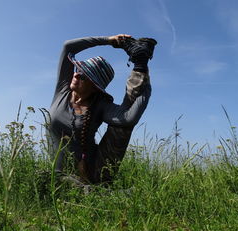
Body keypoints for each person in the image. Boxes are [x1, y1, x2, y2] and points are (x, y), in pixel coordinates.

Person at [48, 34, 157, 185]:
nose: (76, 74)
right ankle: (94, 191)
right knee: (50, 180)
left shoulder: (100, 105)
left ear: (94, 87)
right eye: (77, 69)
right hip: (59, 174)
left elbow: (128, 118)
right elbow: (68, 46)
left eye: (83, 76)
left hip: (93, 169)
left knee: (121, 128)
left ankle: (140, 63)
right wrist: (108, 40)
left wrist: (145, 87)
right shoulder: (63, 90)